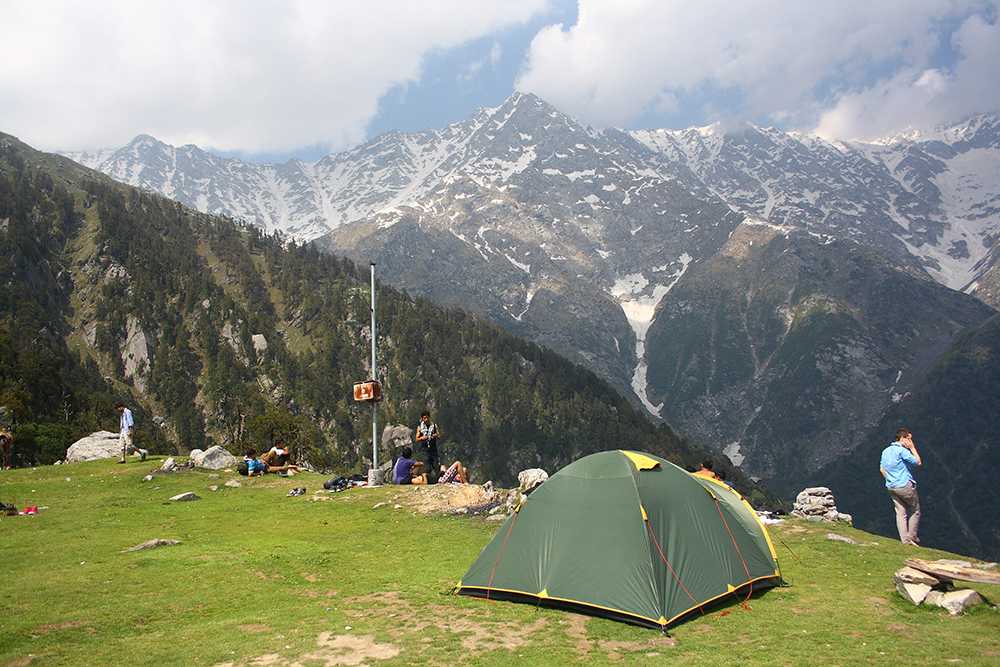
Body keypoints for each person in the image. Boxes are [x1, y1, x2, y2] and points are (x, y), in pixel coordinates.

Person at [880, 427, 922, 545]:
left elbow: (882, 469)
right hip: (904, 485)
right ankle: (912, 537)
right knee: (915, 510)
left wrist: (891, 480)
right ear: (903, 438)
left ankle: (905, 541)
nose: (910, 441)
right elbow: (918, 462)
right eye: (909, 439)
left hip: (891, 486)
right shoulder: (902, 451)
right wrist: (912, 448)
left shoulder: (886, 451)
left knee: (900, 512)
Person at [415, 411, 440, 484]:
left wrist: (435, 436)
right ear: (422, 419)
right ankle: (426, 481)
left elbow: (439, 435)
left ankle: (438, 481)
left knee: (436, 465)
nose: (426, 419)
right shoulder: (420, 427)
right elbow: (417, 439)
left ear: (429, 417)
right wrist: (422, 438)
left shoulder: (434, 426)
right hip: (425, 450)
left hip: (433, 449)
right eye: (424, 418)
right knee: (427, 466)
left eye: (427, 417)